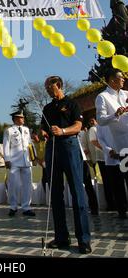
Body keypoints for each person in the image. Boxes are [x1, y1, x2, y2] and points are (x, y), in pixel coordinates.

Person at [40, 76, 91, 254]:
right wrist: (43, 133)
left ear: (58, 85)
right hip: (52, 149)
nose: (47, 88)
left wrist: (62, 131)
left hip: (69, 146)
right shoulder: (47, 108)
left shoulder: (72, 104)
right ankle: (61, 236)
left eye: (49, 86)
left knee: (77, 193)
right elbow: (44, 129)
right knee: (55, 193)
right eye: (45, 86)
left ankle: (83, 239)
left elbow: (77, 126)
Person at [3, 110, 35, 217]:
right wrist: (7, 159)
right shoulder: (9, 130)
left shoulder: (26, 129)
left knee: (27, 185)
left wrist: (33, 156)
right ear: (15, 119)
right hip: (14, 161)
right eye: (20, 118)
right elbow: (6, 145)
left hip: (26, 160)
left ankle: (26, 207)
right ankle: (13, 206)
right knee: (14, 185)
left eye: (23, 117)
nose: (23, 119)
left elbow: (29, 144)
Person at [88, 118, 116, 212]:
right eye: (90, 120)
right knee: (107, 182)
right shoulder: (93, 129)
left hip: (112, 157)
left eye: (93, 119)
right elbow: (93, 141)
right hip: (102, 158)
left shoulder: (106, 127)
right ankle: (111, 204)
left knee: (114, 180)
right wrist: (106, 149)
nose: (92, 121)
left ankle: (116, 202)